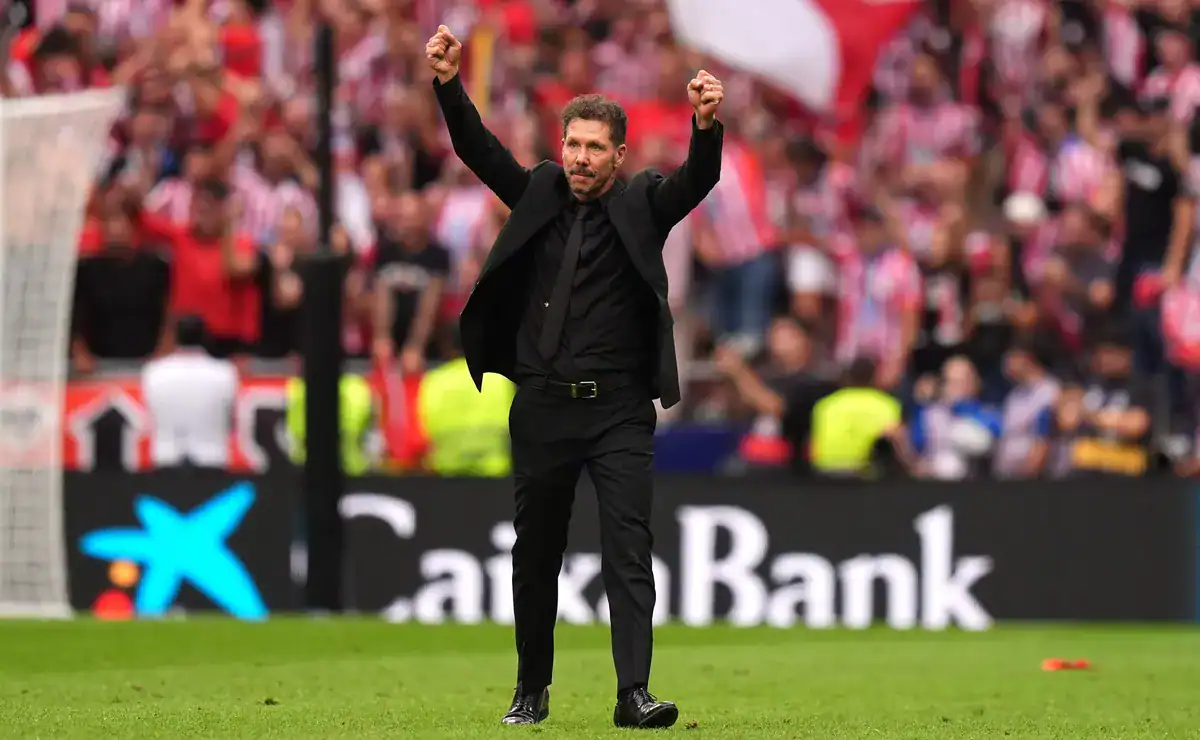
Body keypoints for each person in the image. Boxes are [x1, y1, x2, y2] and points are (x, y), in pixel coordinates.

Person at [425, 24, 723, 729]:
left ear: (619, 154)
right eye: (574, 144)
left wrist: (705, 126)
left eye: (595, 147)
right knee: (536, 556)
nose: (582, 158)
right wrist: (447, 83)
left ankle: (634, 694)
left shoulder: (643, 203)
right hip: (542, 408)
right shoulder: (538, 191)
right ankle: (532, 689)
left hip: (619, 411)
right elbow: (476, 148)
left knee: (629, 551)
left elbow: (697, 179)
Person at [140, 315, 237, 471]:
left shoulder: (154, 371)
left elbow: (148, 416)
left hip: (166, 458)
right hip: (212, 458)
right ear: (205, 337)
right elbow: (231, 419)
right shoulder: (225, 372)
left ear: (175, 337)